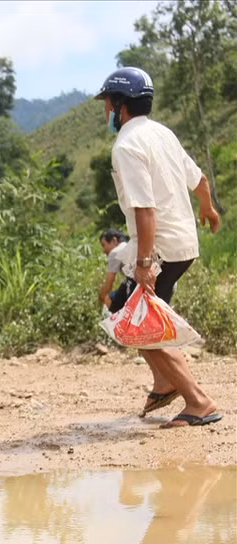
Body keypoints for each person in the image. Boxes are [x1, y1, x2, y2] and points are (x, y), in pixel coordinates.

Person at [95, 66, 221, 428]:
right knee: (128, 310)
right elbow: (199, 180)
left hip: (161, 249)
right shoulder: (161, 134)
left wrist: (145, 263)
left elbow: (144, 208)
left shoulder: (127, 145)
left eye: (107, 104)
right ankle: (166, 383)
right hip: (183, 245)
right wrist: (208, 210)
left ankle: (198, 401)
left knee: (136, 321)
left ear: (120, 105)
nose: (105, 112)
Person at [97, 228, 132, 313]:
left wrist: (101, 298)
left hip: (134, 282)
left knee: (109, 299)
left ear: (114, 240)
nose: (103, 250)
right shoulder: (129, 246)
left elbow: (109, 284)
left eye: (103, 245)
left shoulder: (115, 252)